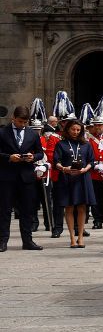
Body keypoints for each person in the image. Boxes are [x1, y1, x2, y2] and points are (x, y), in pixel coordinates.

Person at [0, 106, 43, 252]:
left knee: (27, 210)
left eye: (25, 122)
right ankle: (3, 241)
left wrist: (33, 157)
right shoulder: (2, 132)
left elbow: (40, 153)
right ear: (13, 118)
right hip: (7, 177)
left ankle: (28, 240)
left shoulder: (32, 134)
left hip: (26, 177)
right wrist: (9, 158)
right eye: (19, 122)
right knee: (5, 210)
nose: (22, 125)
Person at [53, 118, 95, 249]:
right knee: (69, 207)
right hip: (67, 178)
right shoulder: (61, 144)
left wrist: (85, 169)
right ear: (67, 129)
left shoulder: (86, 144)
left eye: (78, 130)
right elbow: (56, 161)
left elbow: (91, 161)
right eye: (73, 129)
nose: (75, 132)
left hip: (82, 178)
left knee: (82, 207)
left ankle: (81, 236)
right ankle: (72, 237)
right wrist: (64, 168)